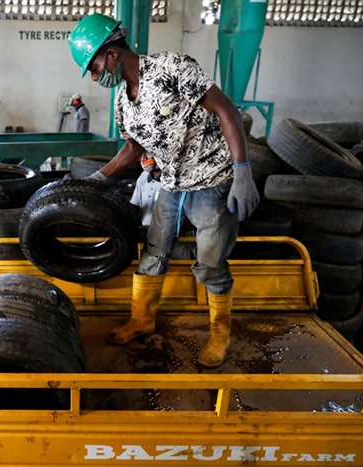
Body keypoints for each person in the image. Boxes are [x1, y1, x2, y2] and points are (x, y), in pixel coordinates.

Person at [69, 15, 259, 368]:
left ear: (111, 53)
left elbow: (225, 110)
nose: (94, 76)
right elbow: (132, 148)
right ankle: (142, 320)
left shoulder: (173, 67)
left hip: (211, 178)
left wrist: (242, 171)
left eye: (93, 66)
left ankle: (219, 335)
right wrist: (98, 177)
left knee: (210, 263)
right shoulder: (123, 101)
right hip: (170, 182)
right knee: (153, 253)